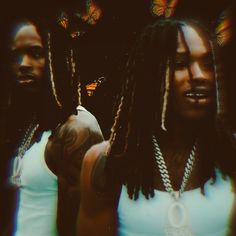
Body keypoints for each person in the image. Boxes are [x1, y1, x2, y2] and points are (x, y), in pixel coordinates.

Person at [78, 18, 236, 236]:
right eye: (180, 64)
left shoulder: (230, 156)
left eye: (208, 65)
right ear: (150, 75)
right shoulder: (107, 163)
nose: (200, 76)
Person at [3, 11, 103, 236]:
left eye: (35, 53)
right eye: (15, 56)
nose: (23, 64)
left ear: (56, 57)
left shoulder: (77, 129)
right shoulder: (27, 124)